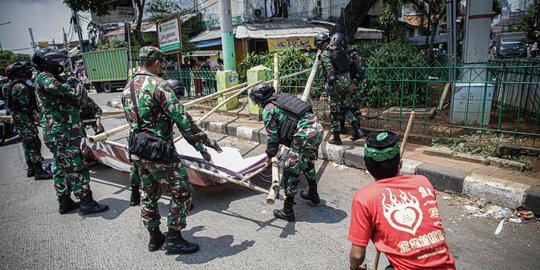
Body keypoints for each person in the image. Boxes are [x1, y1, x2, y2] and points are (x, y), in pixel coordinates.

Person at [122, 46, 223, 253]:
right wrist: (205, 141)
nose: (163, 69)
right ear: (157, 64)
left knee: (148, 192)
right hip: (159, 151)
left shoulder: (128, 87)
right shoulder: (159, 86)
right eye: (163, 65)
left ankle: (154, 237)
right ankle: (174, 237)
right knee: (182, 190)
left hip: (137, 150)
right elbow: (182, 118)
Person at [348, 131, 456, 270]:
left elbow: (357, 255)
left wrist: (353, 268)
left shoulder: (364, 197)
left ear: (367, 165)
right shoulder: (423, 182)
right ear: (400, 163)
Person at [32, 48, 109, 215]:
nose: (60, 66)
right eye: (56, 62)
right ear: (47, 62)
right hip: (62, 132)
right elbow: (63, 91)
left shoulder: (50, 77)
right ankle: (86, 202)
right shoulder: (44, 77)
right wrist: (74, 89)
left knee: (60, 167)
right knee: (75, 166)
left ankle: (64, 201)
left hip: (59, 132)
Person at [248, 83, 324, 222]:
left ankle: (287, 210)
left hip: (303, 135)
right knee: (306, 162)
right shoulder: (283, 97)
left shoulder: (268, 109)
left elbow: (272, 139)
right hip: (317, 130)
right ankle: (313, 193)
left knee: (291, 170)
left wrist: (270, 156)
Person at [128, 79, 185, 207]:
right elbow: (183, 124)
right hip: (154, 144)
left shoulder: (143, 99)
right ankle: (180, 197)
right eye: (178, 96)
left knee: (137, 167)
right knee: (170, 172)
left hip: (136, 141)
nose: (179, 99)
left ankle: (135, 194)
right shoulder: (165, 104)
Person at [3, 61, 53, 180]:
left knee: (26, 144)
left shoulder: (7, 86)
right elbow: (27, 107)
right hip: (25, 120)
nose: (29, 72)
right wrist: (37, 118)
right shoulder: (21, 87)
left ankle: (31, 168)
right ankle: (39, 171)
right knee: (34, 143)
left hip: (17, 120)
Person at [319, 32, 363, 145]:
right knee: (345, 108)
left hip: (336, 85)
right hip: (347, 82)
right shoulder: (343, 52)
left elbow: (331, 74)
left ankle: (336, 138)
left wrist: (325, 90)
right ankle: (357, 130)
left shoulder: (326, 53)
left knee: (335, 111)